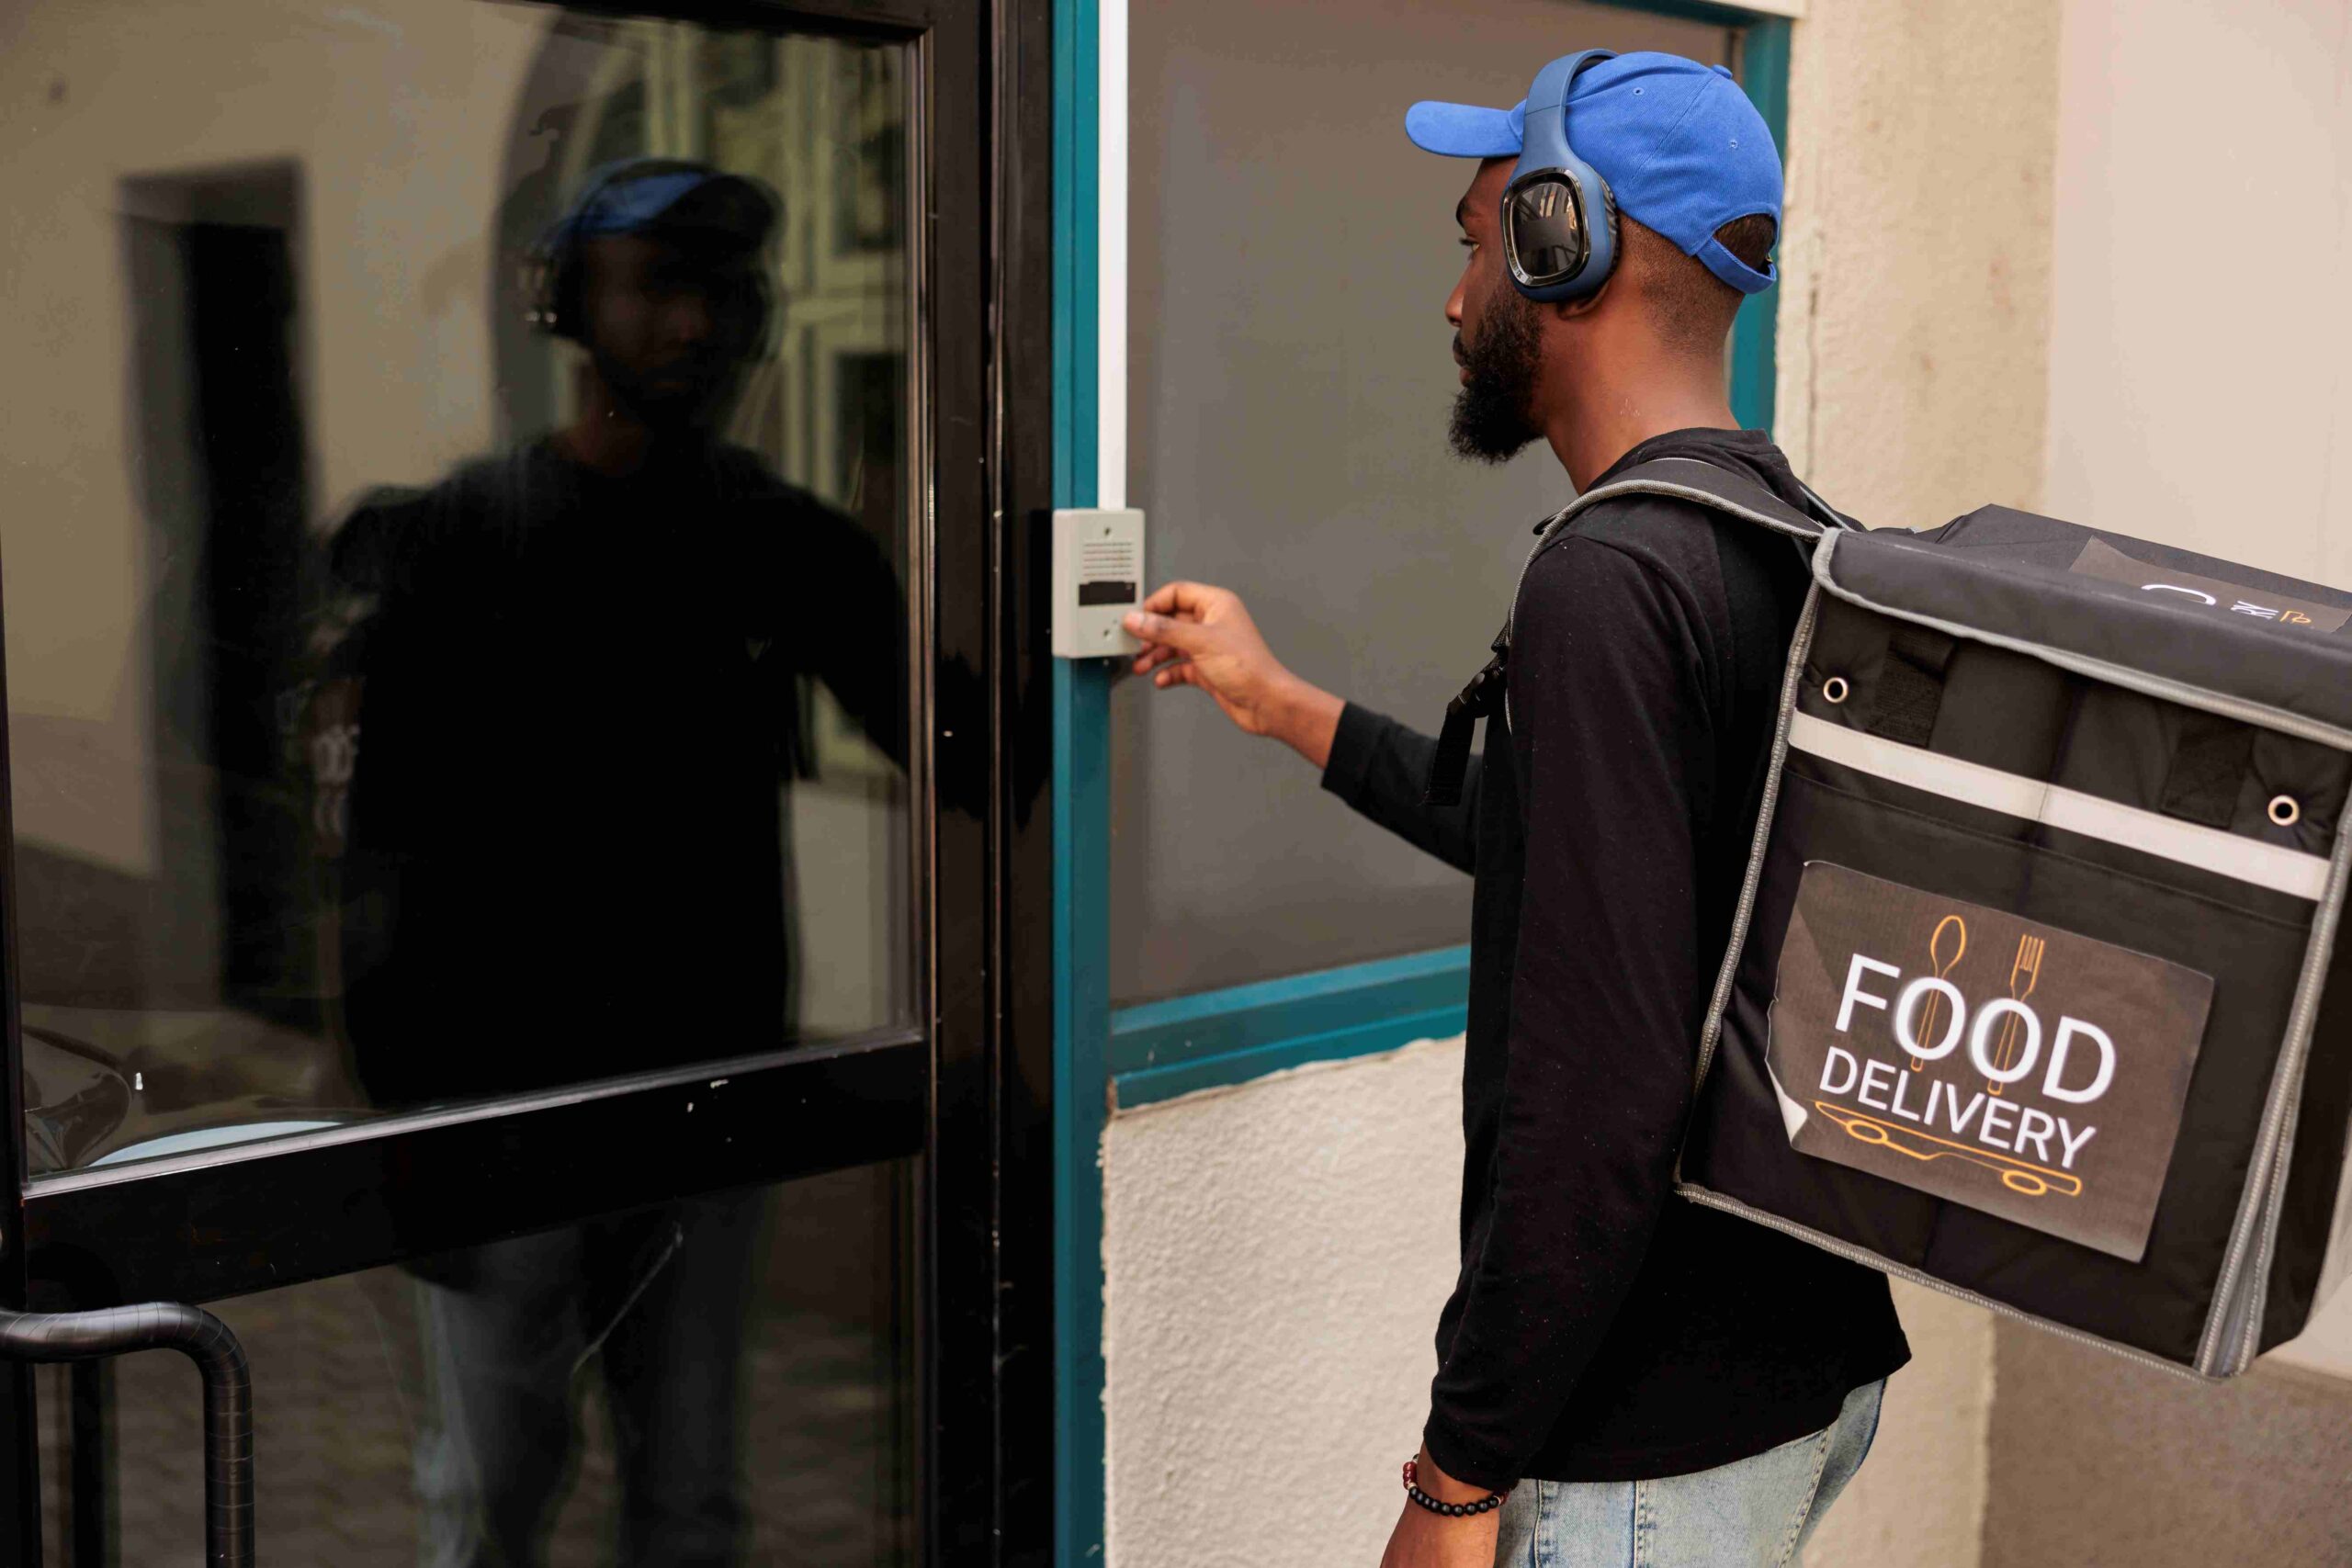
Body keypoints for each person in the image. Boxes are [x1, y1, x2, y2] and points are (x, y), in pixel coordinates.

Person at [1120, 51, 1911, 1568]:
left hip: (1646, 1438)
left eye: (1479, 241)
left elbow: (1599, 1097)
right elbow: (1580, 867)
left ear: (1570, 244)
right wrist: (1279, 701)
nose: (1455, 295)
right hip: (1803, 1360)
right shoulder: (1782, 538)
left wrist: (1456, 1477)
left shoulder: (1608, 580)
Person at [309, 158, 907, 1566]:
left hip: (704, 1109)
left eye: (720, 293)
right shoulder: (467, 536)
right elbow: (379, 854)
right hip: (496, 1119)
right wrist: (406, 1137)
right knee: (494, 1492)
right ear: (570, 309)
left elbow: (974, 750)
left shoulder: (783, 543)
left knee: (689, 1498)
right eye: (657, 288)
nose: (693, 327)